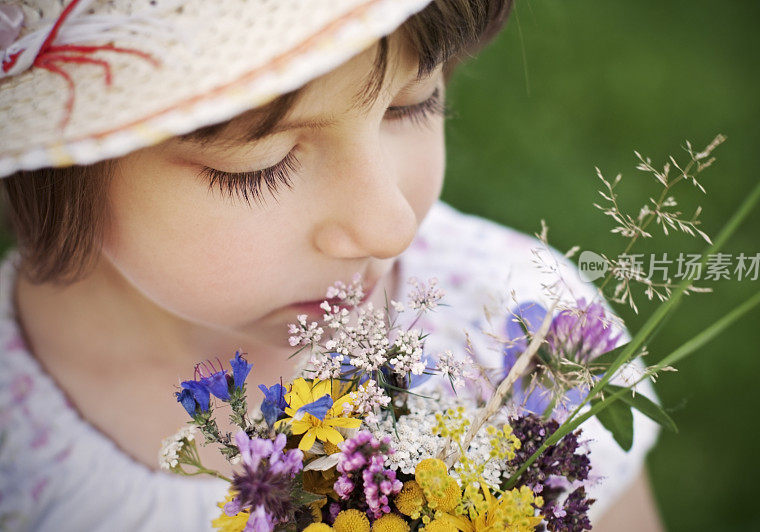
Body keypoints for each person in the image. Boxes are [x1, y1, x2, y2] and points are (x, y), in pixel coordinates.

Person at [0, 1, 662, 530]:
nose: (390, 225)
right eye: (260, 165)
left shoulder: (520, 340)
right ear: (59, 164)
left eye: (412, 103)